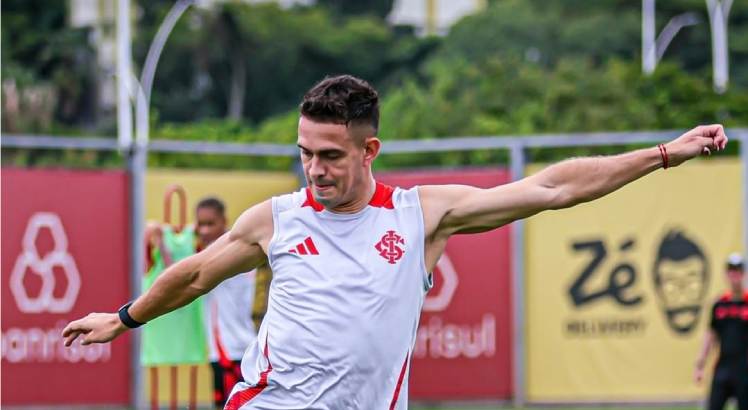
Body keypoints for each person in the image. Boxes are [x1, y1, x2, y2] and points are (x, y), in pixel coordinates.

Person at [63, 74, 728, 409]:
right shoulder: (278, 219)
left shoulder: (421, 216)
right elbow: (197, 274)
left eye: (329, 156)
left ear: (369, 149)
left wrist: (664, 154)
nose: (315, 171)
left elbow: (555, 188)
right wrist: (123, 318)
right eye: (304, 154)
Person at [194, 197, 262, 409]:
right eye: (200, 224)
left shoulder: (225, 254)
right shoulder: (236, 248)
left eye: (210, 224)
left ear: (224, 221)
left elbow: (188, 275)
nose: (204, 231)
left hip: (232, 350)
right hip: (232, 349)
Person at [694, 253, 748, 410]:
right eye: (731, 271)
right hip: (723, 367)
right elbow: (710, 336)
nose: (735, 275)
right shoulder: (719, 304)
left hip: (744, 369)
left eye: (738, 271)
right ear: (726, 275)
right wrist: (700, 365)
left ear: (743, 274)